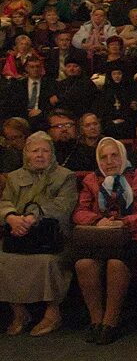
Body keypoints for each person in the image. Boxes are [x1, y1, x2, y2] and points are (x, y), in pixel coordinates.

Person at [71, 137, 137, 344]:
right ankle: (96, 320)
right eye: (104, 157)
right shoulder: (90, 180)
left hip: (135, 235)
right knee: (83, 264)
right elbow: (79, 213)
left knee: (115, 263)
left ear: (123, 156)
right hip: (101, 235)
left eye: (114, 155)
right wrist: (98, 220)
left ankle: (111, 321)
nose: (109, 161)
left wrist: (125, 222)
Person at [0, 132, 78, 336]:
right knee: (3, 258)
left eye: (45, 151)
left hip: (53, 236)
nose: (40, 155)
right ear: (27, 154)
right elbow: (5, 201)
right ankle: (19, 312)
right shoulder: (15, 177)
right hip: (18, 233)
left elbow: (63, 206)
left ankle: (53, 313)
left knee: (47, 261)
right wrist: (11, 217)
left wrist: (33, 217)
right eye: (35, 151)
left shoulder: (65, 176)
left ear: (52, 154)